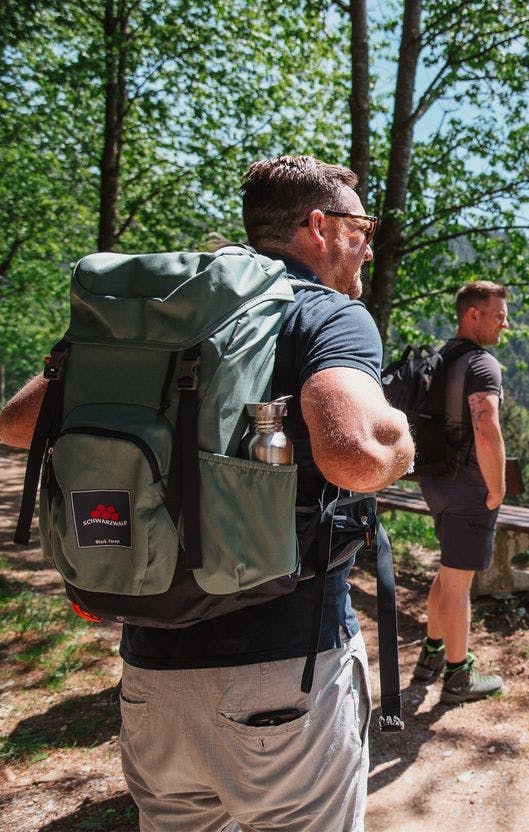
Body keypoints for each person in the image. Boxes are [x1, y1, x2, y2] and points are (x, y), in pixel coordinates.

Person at [0, 155, 414, 832]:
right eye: (359, 225)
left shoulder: (166, 317)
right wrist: (402, 442)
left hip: (149, 675)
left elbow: (19, 423)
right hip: (283, 672)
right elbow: (358, 457)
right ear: (320, 227)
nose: (367, 240)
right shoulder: (326, 316)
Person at [413, 281, 510, 704]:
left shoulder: (441, 356)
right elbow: (486, 427)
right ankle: (458, 674)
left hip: (434, 479)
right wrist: (497, 486)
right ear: (473, 314)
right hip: (468, 485)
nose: (506, 322)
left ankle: (431, 654)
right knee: (458, 583)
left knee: (449, 572)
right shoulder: (482, 364)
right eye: (499, 314)